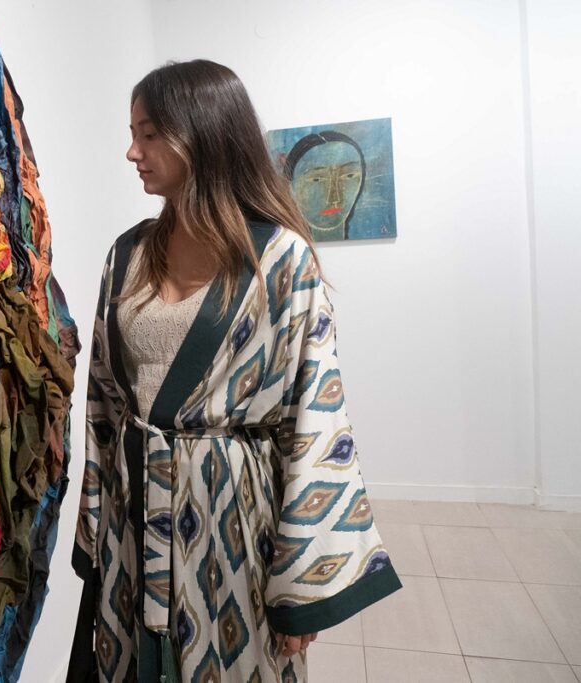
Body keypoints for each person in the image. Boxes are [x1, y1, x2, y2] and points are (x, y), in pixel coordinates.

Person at [68, 60, 400, 683]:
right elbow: (102, 404)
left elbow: (316, 419)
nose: (132, 152)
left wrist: (302, 585)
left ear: (201, 135)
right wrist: (96, 527)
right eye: (132, 133)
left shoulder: (281, 259)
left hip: (232, 519)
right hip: (133, 518)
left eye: (148, 134)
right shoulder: (126, 254)